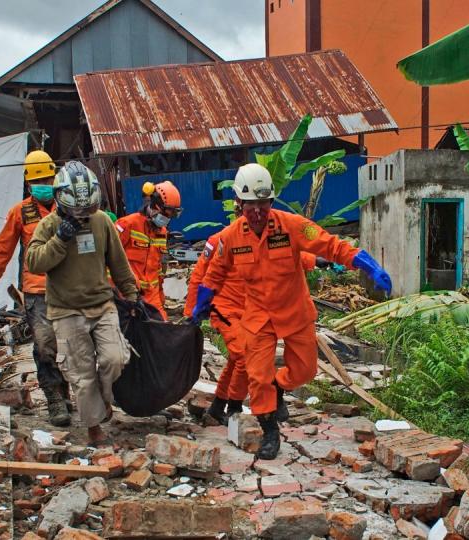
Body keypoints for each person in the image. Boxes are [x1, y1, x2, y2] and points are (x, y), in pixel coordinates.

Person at [190, 163, 392, 459]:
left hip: (294, 312)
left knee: (305, 371)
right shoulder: (231, 237)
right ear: (239, 204)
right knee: (256, 375)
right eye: (251, 206)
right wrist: (200, 304)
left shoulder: (292, 225)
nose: (257, 212)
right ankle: (270, 430)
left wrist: (367, 264)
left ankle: (279, 385)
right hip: (258, 317)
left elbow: (330, 245)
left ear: (270, 201)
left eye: (263, 204)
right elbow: (214, 274)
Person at [25, 161, 139, 447]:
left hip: (102, 304)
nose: (82, 216)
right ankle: (94, 428)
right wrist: (61, 239)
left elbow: (118, 261)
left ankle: (103, 400)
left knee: (115, 359)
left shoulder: (101, 221)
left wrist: (132, 293)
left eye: (86, 210)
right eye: (78, 212)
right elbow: (35, 262)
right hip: (66, 310)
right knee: (82, 373)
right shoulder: (48, 225)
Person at [185, 223, 322, 426]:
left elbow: (290, 255)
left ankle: (218, 406)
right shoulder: (219, 241)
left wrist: (320, 259)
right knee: (244, 355)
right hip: (224, 308)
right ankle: (234, 406)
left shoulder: (264, 240)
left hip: (249, 311)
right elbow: (198, 277)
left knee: (235, 359)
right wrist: (191, 311)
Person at [0, 150, 72, 427]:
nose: (43, 183)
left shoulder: (67, 208)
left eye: (47, 178)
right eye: (37, 179)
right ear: (29, 183)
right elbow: (2, 249)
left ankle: (66, 393)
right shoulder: (20, 212)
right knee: (44, 346)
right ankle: (54, 398)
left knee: (69, 346)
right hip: (36, 290)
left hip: (69, 289)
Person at [115, 181, 182, 320]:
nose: (167, 218)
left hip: (152, 297)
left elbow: (158, 271)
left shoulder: (162, 232)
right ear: (154, 205)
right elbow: (108, 258)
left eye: (171, 215)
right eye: (166, 213)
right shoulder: (127, 224)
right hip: (124, 296)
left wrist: (161, 300)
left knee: (162, 330)